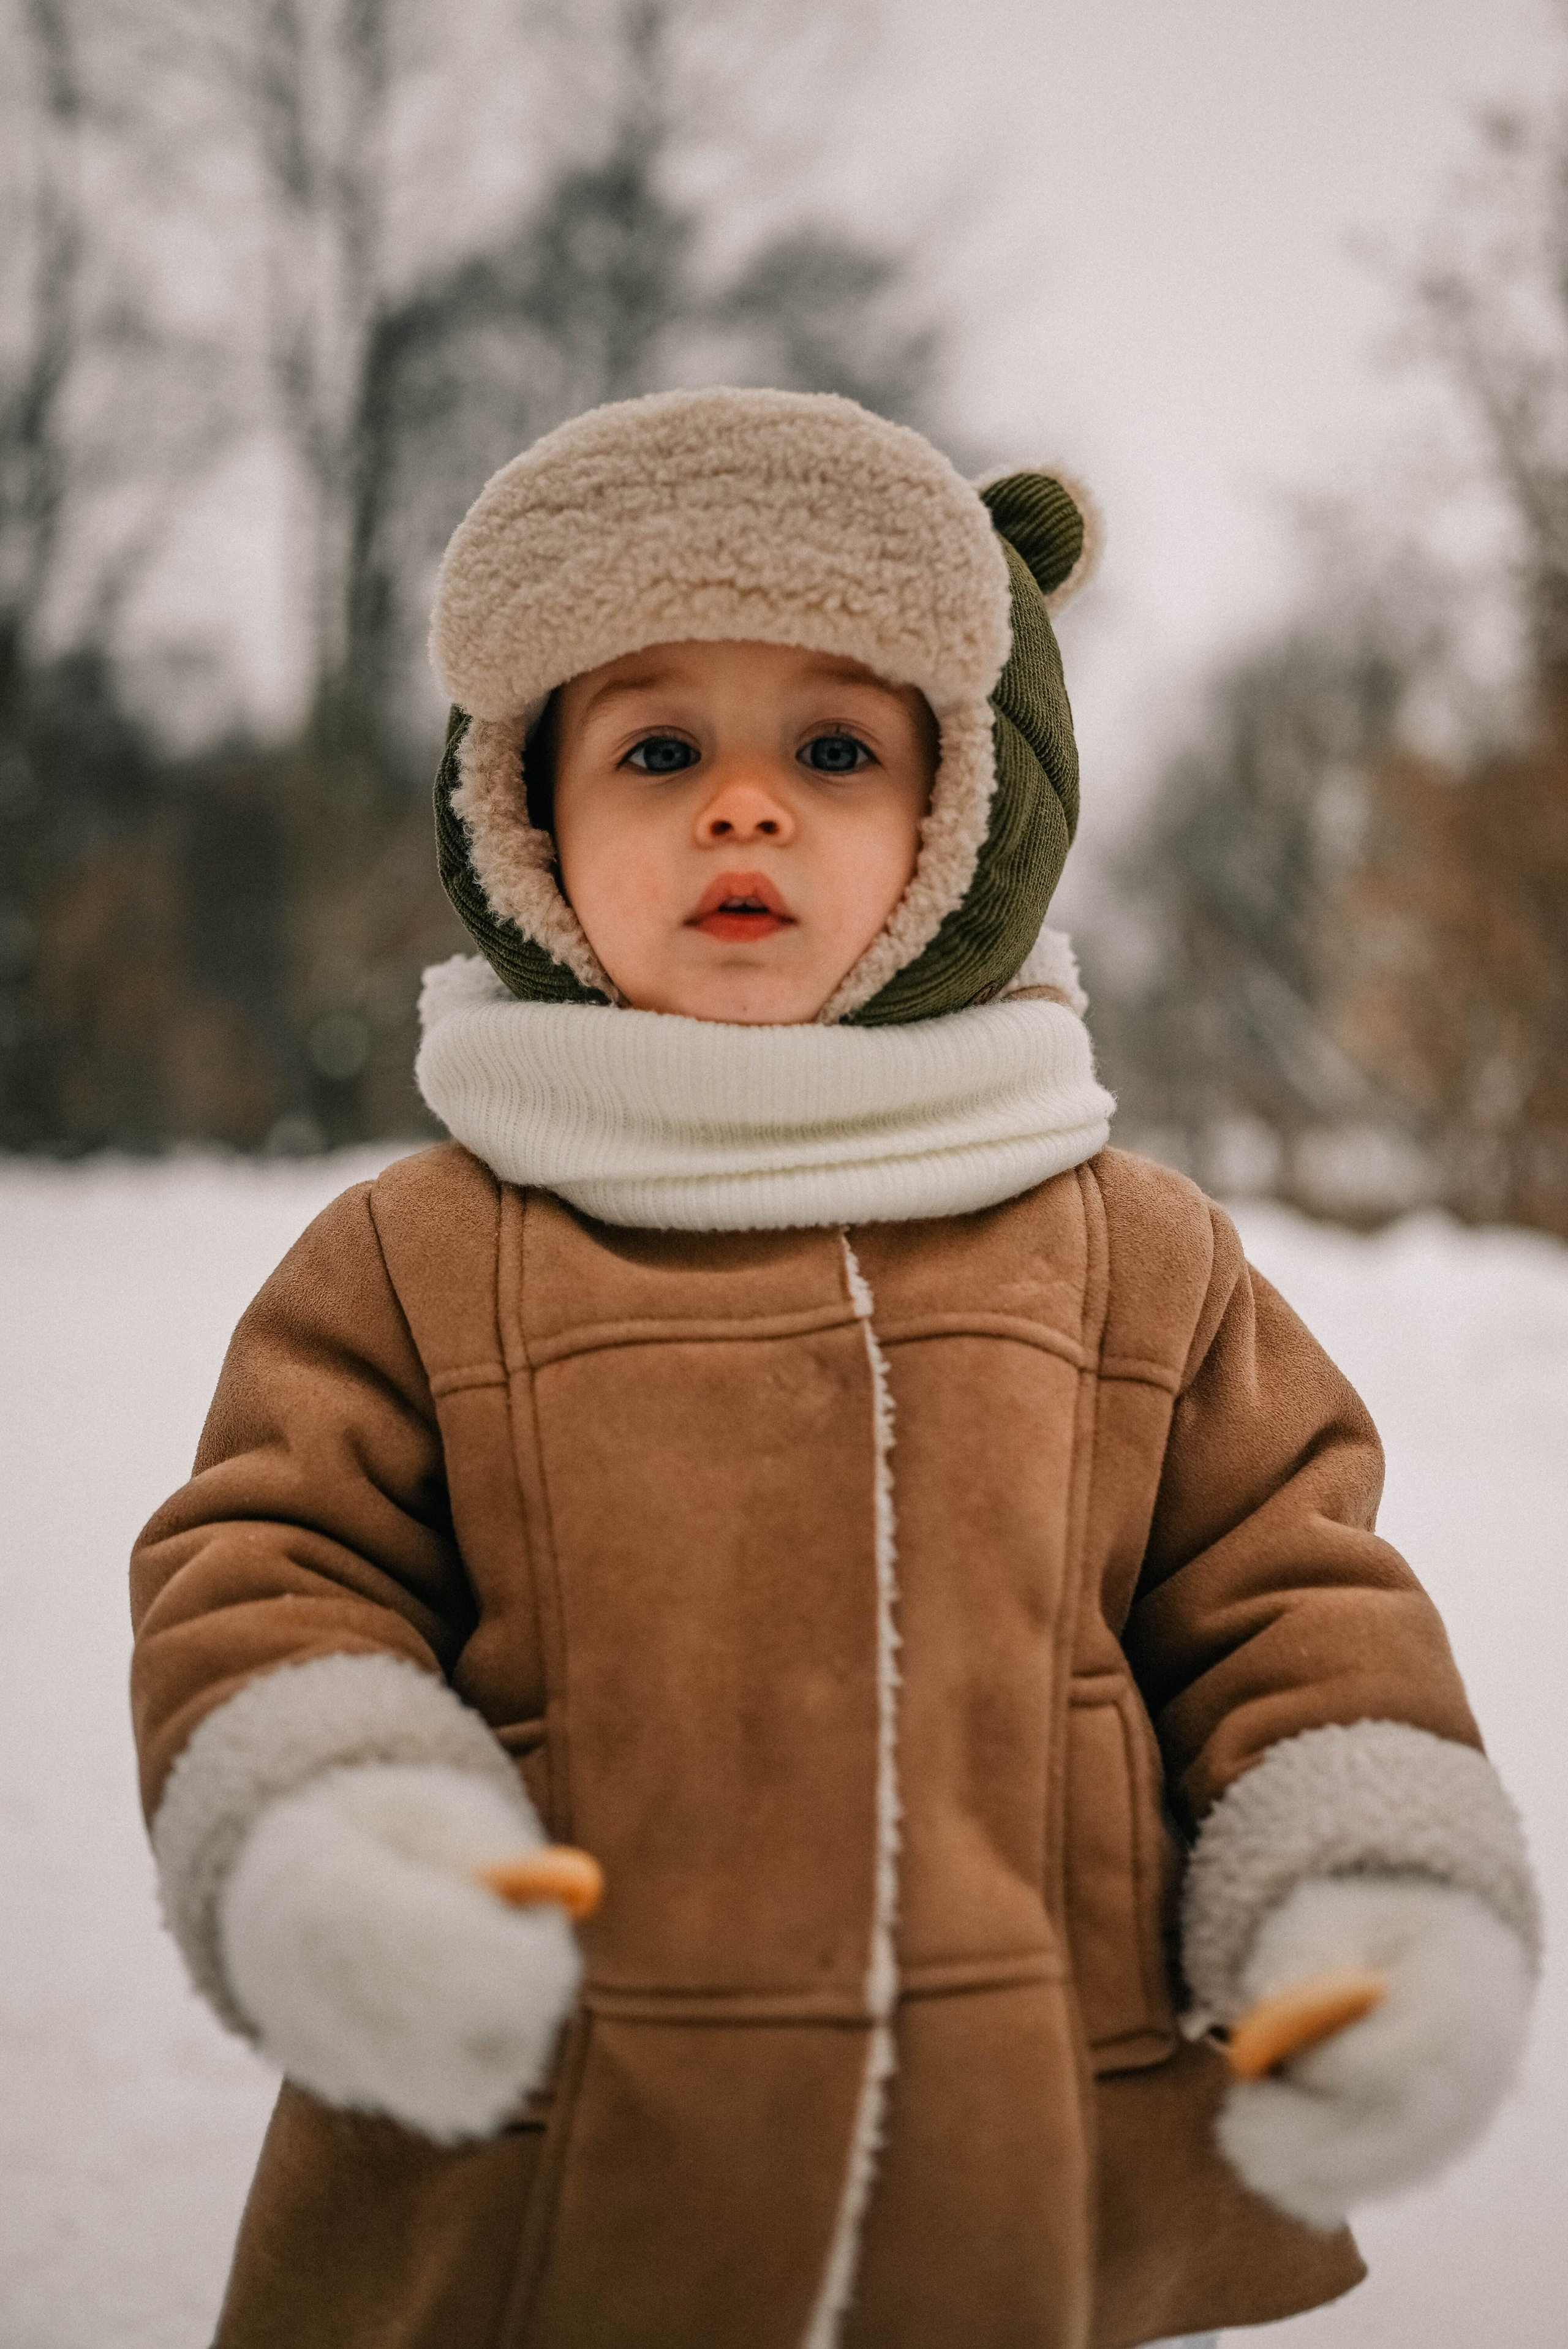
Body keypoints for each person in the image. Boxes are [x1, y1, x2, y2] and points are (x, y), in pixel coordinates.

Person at [130, 389, 1539, 2349]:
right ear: (524, 821)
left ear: (966, 817)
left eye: (832, 743)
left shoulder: (1130, 1259)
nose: (742, 801)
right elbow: (271, 1567)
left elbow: (1290, 1605)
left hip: (1017, 2200)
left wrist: (1363, 1885)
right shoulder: (420, 1260)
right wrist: (342, 1830)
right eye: (655, 743)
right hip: (545, 2190)